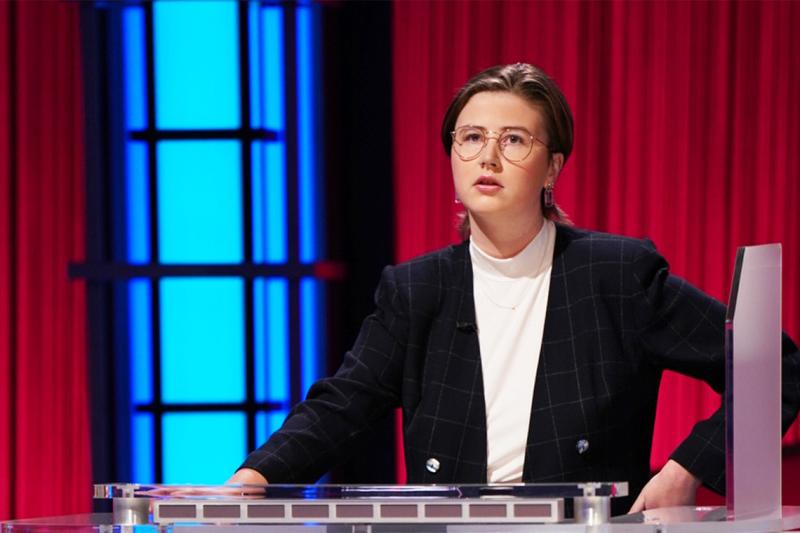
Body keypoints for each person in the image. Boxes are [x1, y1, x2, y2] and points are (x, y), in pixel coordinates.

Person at [228, 63, 800, 514]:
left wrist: (686, 469)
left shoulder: (615, 276)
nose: (489, 157)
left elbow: (772, 368)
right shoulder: (416, 290)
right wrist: (253, 479)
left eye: (514, 140)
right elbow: (341, 406)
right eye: (471, 137)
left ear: (552, 167)